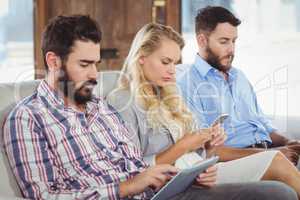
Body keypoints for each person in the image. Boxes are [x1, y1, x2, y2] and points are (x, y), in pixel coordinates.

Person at [3, 15, 296, 200]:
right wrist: (127, 187)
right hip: (132, 195)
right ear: (53, 61)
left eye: (96, 63)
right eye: (84, 64)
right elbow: (42, 195)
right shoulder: (28, 117)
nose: (95, 74)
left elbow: (137, 164)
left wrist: (184, 173)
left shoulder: (98, 107)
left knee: (278, 192)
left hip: (159, 192)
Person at [107, 22, 300, 198]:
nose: (173, 70)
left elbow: (198, 156)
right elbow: (131, 173)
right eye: (166, 62)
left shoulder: (169, 95)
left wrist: (207, 147)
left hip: (190, 177)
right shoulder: (122, 101)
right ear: (141, 58)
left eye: (175, 62)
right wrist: (184, 146)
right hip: (163, 190)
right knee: (278, 175)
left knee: (280, 179)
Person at [176, 6, 300, 166]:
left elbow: (262, 124)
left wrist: (288, 142)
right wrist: (270, 155)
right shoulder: (187, 84)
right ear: (202, 40)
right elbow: (206, 151)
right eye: (224, 41)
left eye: (234, 41)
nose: (231, 49)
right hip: (235, 162)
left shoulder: (239, 77)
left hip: (267, 151)